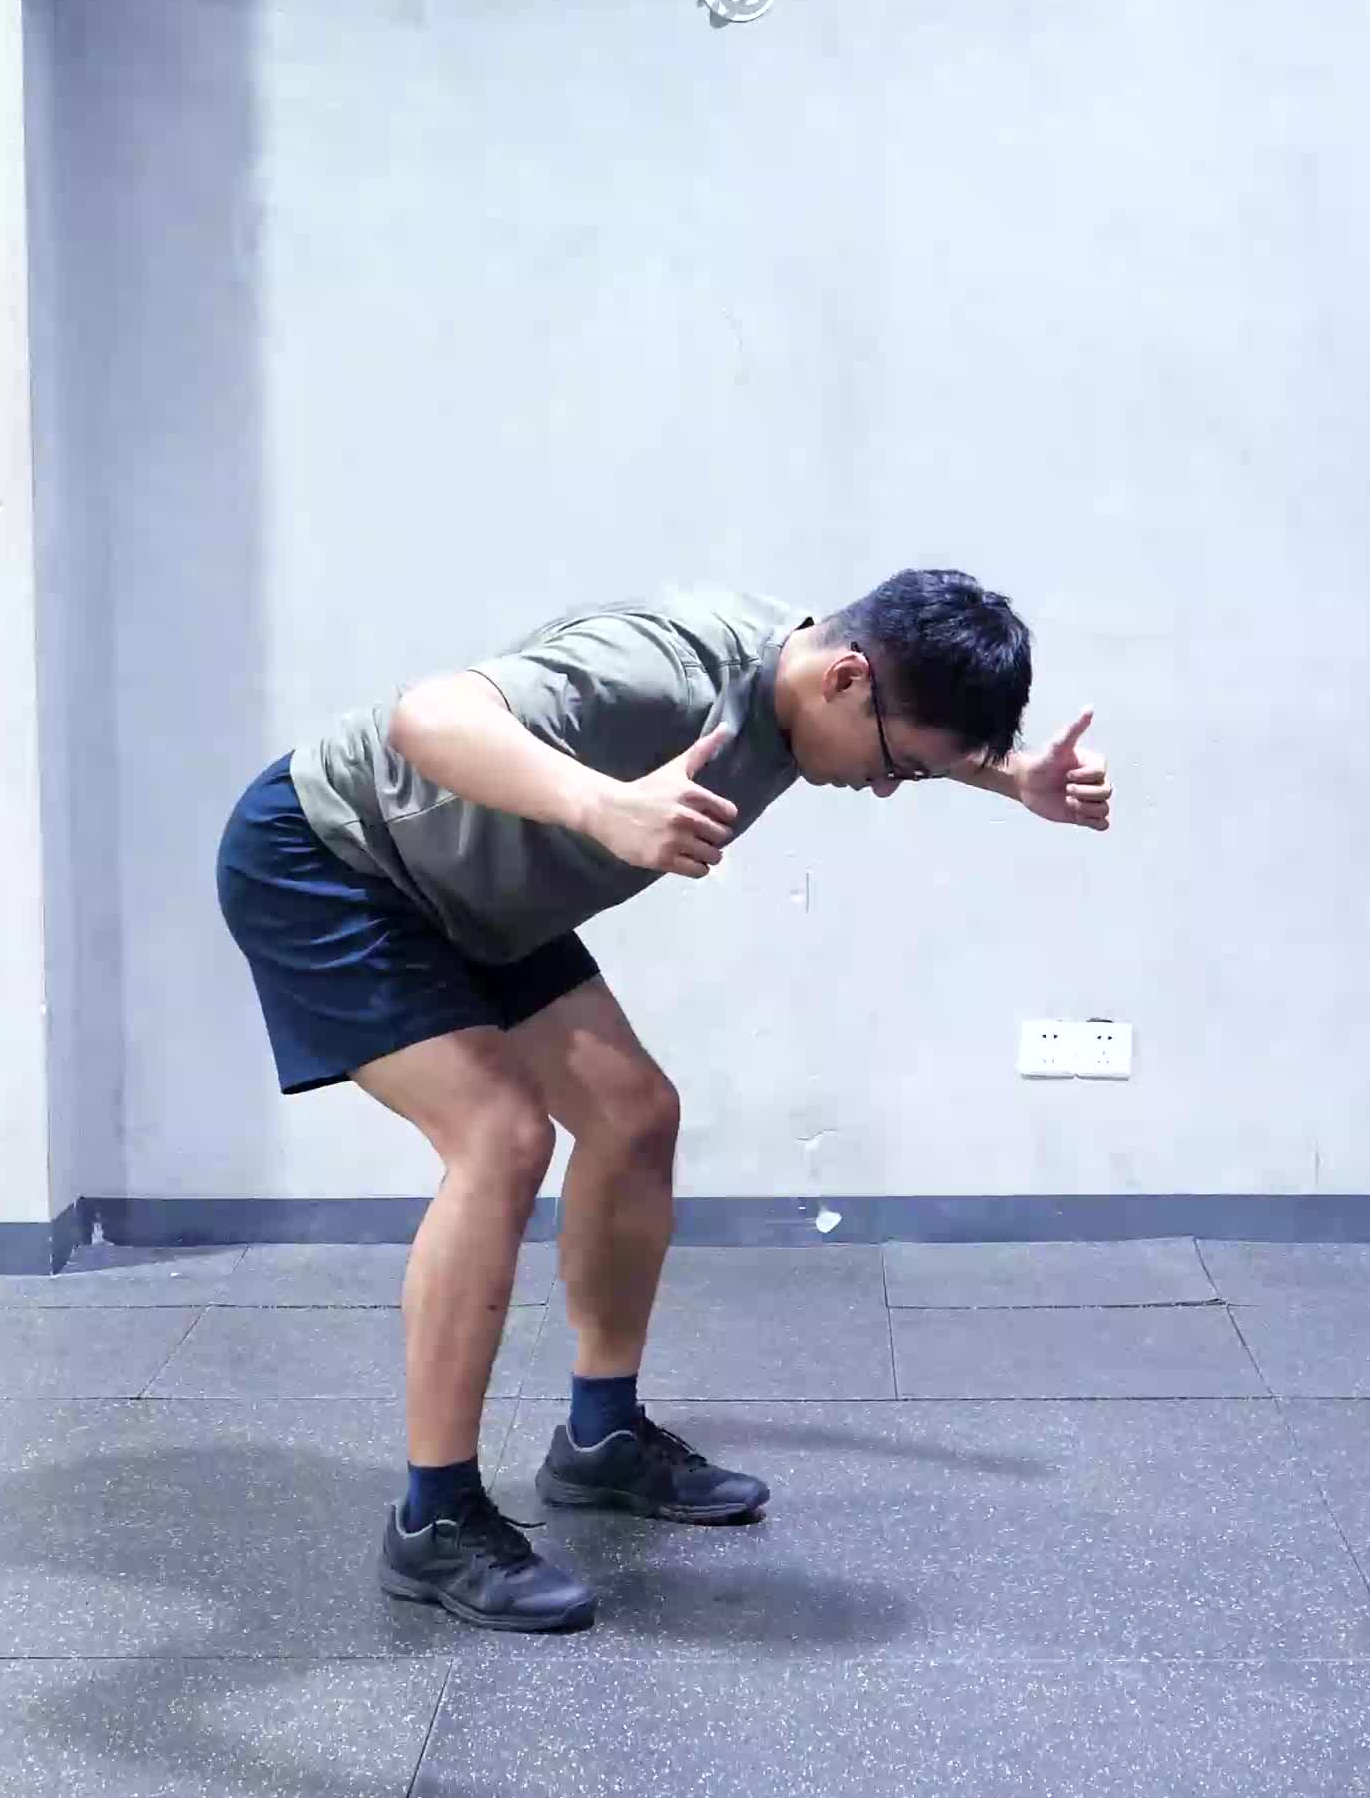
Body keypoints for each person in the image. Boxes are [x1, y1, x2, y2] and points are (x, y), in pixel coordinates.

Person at [215, 571, 1112, 1632]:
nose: (884, 789)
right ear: (846, 679)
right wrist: (603, 803)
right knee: (500, 1139)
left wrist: (1012, 779)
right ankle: (435, 1519)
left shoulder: (817, 679)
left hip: (476, 886)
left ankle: (600, 1440)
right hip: (337, 858)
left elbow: (901, 723)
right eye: (896, 766)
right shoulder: (655, 672)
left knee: (635, 1115)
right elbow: (429, 718)